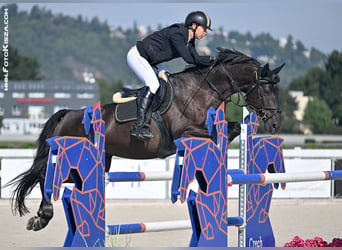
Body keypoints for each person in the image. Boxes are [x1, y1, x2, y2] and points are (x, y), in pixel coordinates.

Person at [127, 11, 216, 140]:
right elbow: (189, 59)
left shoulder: (189, 41)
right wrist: (213, 58)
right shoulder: (178, 34)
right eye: (204, 28)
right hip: (138, 56)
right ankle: (139, 126)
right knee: (153, 84)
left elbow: (195, 58)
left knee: (170, 81)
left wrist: (212, 61)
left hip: (152, 62)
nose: (206, 32)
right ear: (194, 25)